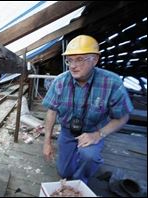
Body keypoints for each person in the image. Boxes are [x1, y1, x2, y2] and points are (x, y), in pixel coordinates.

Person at [42, 35, 134, 184]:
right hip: (67, 131)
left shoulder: (112, 82)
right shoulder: (60, 81)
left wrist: (99, 134)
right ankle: (71, 169)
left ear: (95, 60)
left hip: (93, 131)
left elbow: (122, 117)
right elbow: (51, 112)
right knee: (63, 172)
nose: (72, 65)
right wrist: (46, 142)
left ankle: (80, 181)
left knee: (88, 157)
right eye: (69, 60)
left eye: (79, 59)